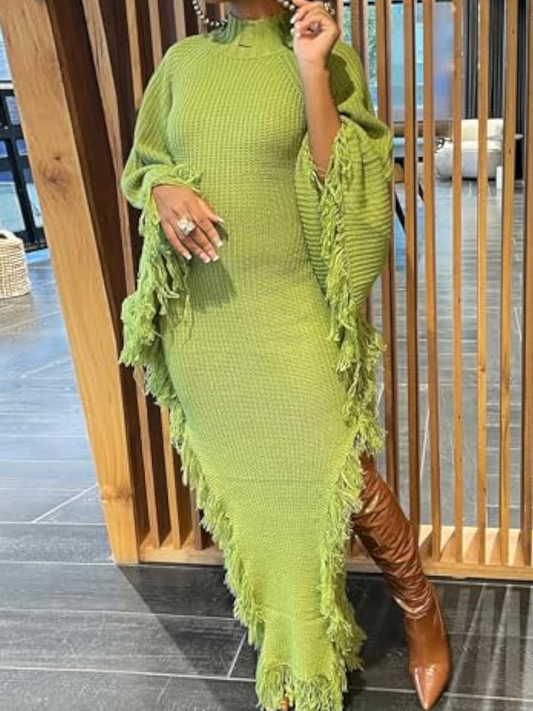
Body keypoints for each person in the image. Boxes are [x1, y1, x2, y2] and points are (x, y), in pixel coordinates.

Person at [117, 0, 452, 709]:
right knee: (250, 485)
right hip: (204, 322)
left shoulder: (325, 55)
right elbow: (144, 167)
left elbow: (345, 188)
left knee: (340, 465)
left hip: (288, 306)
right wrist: (164, 186)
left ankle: (421, 612)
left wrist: (310, 68)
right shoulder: (181, 65)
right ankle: (293, 644)